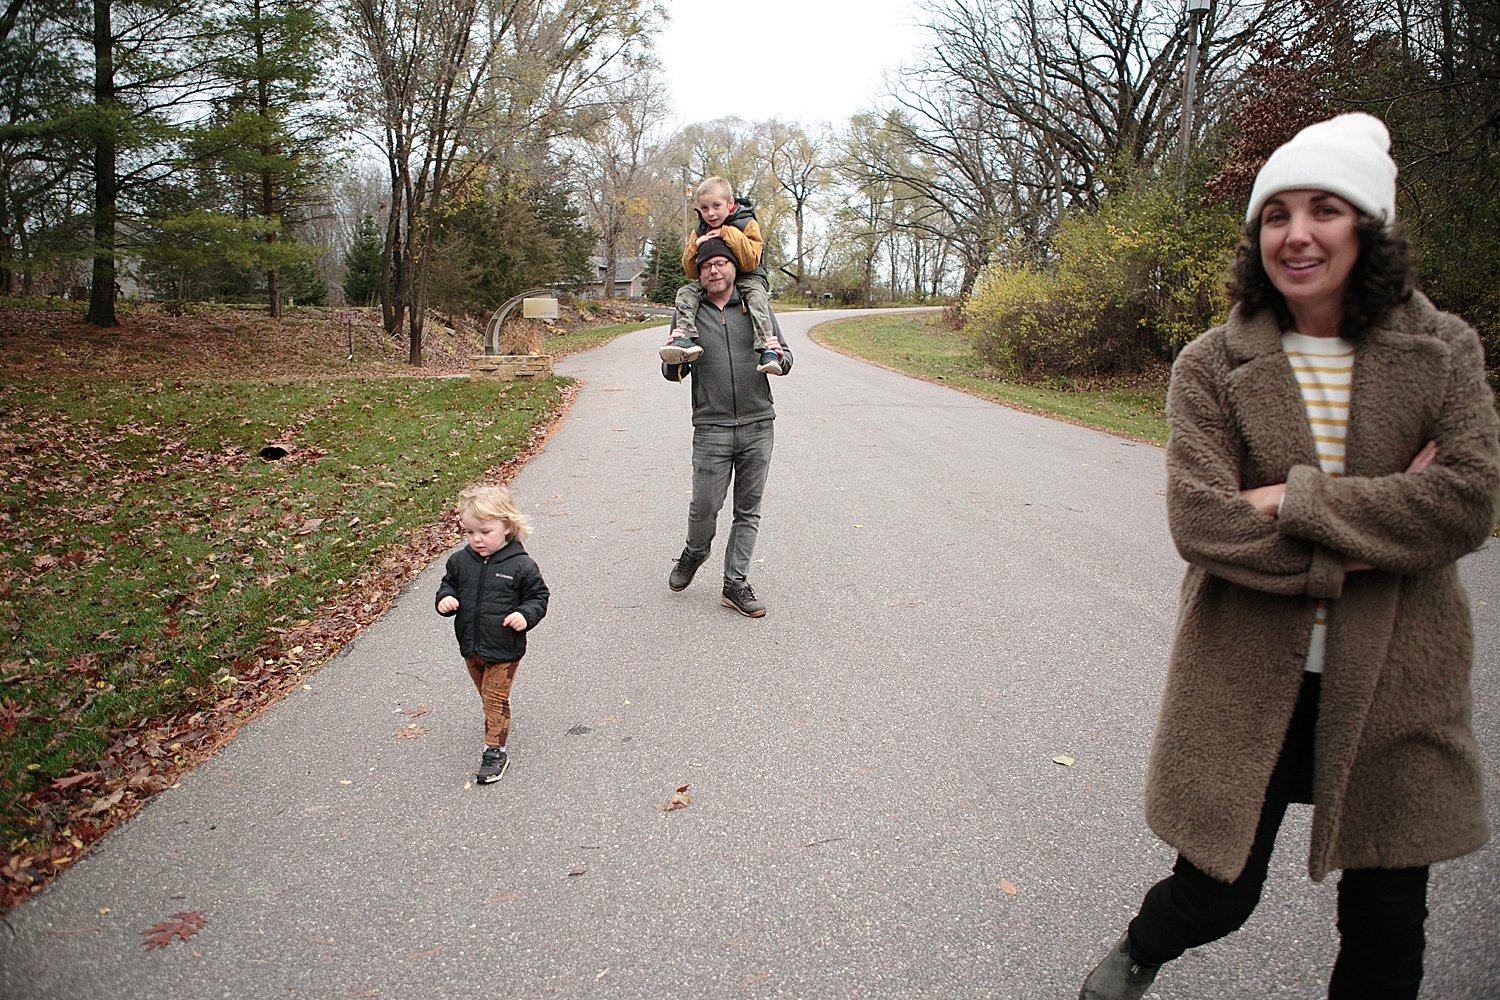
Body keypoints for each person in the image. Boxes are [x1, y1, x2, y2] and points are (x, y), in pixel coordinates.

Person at [1079, 112, 1500, 1000]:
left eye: (1325, 209)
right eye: (1277, 214)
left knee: (1387, 921)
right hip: (1246, 675)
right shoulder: (1209, 364)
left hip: (1397, 680)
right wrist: (1373, 539)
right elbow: (1202, 524)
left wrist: (1291, 499)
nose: (1297, 234)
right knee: (1214, 894)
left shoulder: (1445, 349)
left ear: (1370, 226)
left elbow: (1465, 502)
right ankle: (1135, 953)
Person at [662, 236, 792, 618]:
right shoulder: (688, 311)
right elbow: (672, 371)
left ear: (734, 267)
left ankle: (735, 583)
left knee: (748, 511)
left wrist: (781, 360)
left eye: (720, 264)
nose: (713, 271)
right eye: (706, 266)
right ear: (699, 273)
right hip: (711, 427)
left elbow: (785, 360)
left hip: (758, 424)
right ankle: (695, 551)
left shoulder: (757, 307)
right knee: (704, 507)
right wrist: (672, 360)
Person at [435, 484, 550, 784]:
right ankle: (495, 721)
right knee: (486, 694)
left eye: (484, 531)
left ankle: (495, 751)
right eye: (470, 532)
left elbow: (538, 597)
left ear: (507, 527)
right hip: (471, 644)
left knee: (495, 696)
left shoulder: (521, 565)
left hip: (504, 647)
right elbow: (448, 584)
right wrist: (445, 600)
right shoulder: (460, 562)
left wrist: (524, 616)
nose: (476, 539)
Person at [659, 176, 782, 375]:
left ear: (730, 203)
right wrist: (694, 246)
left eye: (716, 206)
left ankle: (766, 348)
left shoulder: (747, 223)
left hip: (749, 276)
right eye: (704, 208)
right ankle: (685, 337)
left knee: (757, 298)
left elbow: (751, 261)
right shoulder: (699, 230)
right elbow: (691, 272)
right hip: (713, 282)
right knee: (685, 292)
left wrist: (726, 233)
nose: (711, 213)